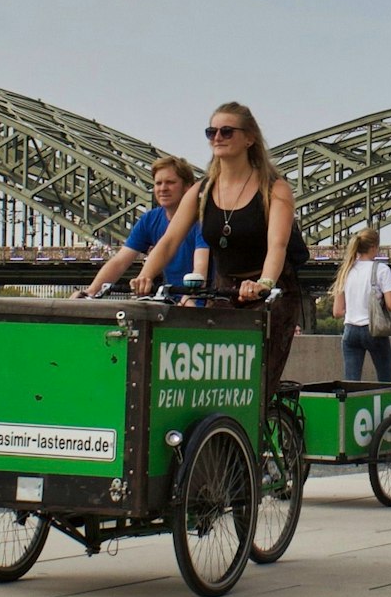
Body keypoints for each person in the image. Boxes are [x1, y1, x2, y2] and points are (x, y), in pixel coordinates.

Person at [135, 102, 308, 396]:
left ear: (249, 138)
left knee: (254, 389)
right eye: (211, 131)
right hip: (225, 288)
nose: (217, 137)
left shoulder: (274, 188)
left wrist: (264, 283)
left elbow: (277, 246)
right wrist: (146, 274)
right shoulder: (202, 189)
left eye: (227, 131)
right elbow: (169, 241)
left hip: (272, 291)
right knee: (212, 383)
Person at [77, 155, 205, 296]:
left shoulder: (202, 220)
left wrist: (189, 298)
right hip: (171, 302)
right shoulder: (150, 219)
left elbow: (200, 269)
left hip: (200, 303)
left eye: (170, 182)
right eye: (158, 183)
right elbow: (120, 262)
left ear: (188, 188)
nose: (163, 188)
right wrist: (90, 291)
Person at [332, 229, 391, 381]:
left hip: (350, 331)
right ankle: (383, 404)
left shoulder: (346, 270)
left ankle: (351, 405)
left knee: (351, 382)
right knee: (385, 380)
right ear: (373, 247)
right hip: (373, 329)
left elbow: (337, 312)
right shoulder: (382, 270)